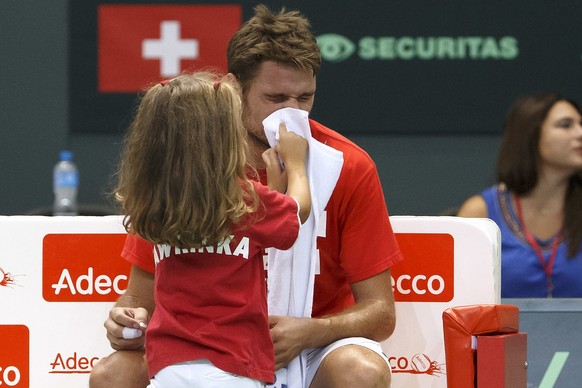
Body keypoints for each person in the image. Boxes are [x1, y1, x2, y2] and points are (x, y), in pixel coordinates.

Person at [90, 5, 403, 388]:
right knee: (113, 375)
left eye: (305, 98)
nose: (292, 115)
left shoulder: (348, 165)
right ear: (236, 89)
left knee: (361, 372)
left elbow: (380, 313)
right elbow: (139, 299)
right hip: (212, 347)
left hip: (312, 345)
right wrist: (124, 319)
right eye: (276, 98)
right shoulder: (188, 169)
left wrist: (309, 332)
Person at [112, 71, 311, 387]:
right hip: (235, 369)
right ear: (223, 140)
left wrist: (273, 189)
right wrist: (297, 166)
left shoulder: (154, 203)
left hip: (169, 371)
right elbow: (297, 213)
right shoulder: (243, 198)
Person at [457, 91, 582, 298]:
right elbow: (459, 299)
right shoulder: (480, 212)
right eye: (565, 125)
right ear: (530, 135)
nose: (579, 133)